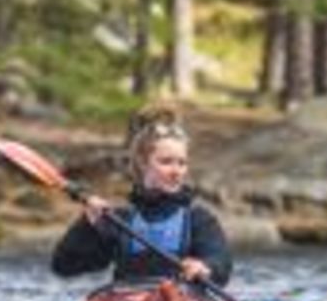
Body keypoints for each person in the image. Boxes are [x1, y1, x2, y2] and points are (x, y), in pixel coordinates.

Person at [51, 103, 234, 287]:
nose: (176, 171)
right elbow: (63, 266)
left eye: (182, 163)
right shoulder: (120, 220)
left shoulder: (199, 220)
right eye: (166, 162)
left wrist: (205, 267)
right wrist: (87, 225)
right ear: (143, 164)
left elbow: (221, 264)